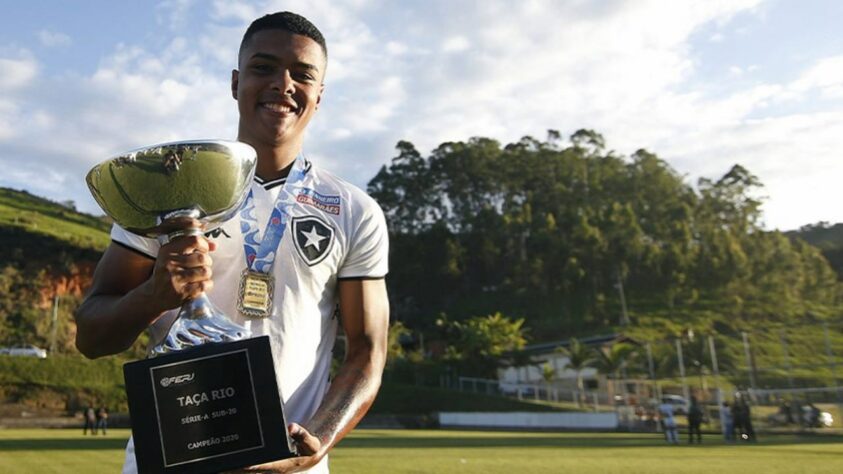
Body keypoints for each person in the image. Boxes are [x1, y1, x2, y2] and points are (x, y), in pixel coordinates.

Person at [75, 11, 390, 474]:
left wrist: (319, 440)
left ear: (319, 96)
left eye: (302, 74)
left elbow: (367, 350)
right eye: (264, 67)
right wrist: (153, 296)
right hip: (171, 459)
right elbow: (91, 335)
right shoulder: (168, 186)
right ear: (236, 81)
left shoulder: (352, 210)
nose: (283, 84)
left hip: (288, 464)